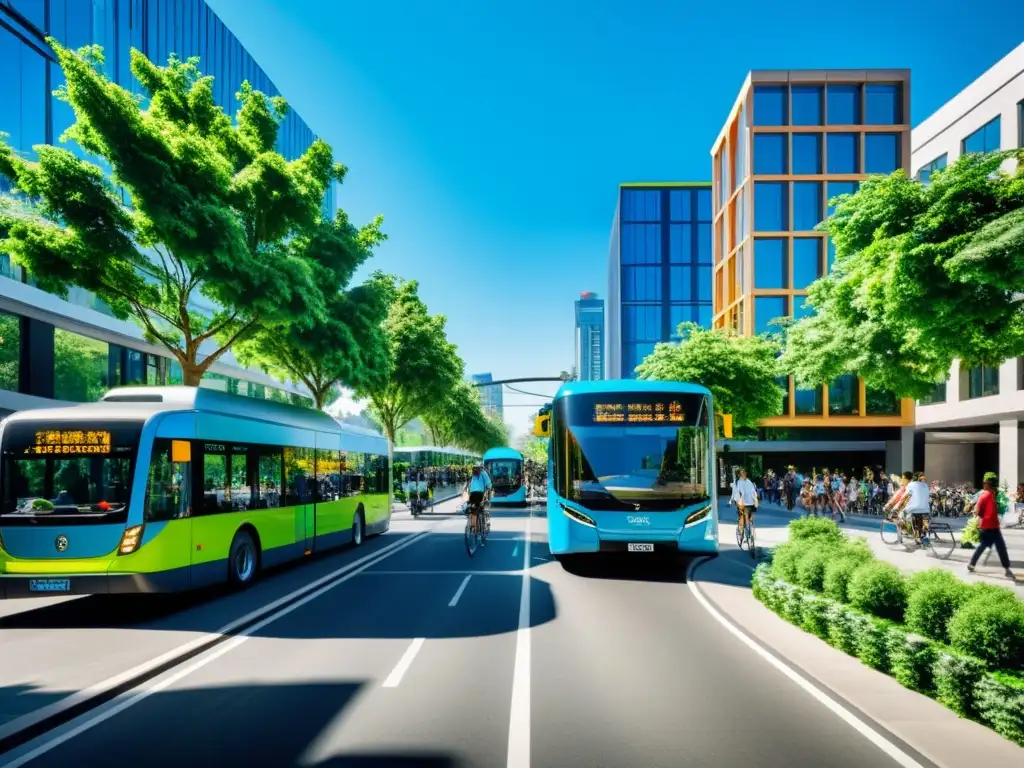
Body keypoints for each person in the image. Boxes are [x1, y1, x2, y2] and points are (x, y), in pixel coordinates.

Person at [968, 477, 1015, 578]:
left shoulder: (983, 496)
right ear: (990, 486)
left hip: (986, 526)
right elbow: (983, 511)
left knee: (983, 546)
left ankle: (972, 564)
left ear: (986, 485)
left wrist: (978, 519)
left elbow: (977, 510)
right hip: (992, 527)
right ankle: (1007, 569)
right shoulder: (987, 496)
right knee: (1000, 547)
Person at [897, 471, 932, 544]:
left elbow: (905, 497)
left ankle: (905, 531)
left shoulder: (911, 485)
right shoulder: (925, 485)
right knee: (922, 524)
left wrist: (900, 506)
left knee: (900, 516)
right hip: (926, 509)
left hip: (914, 508)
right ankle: (921, 537)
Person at [464, 465, 492, 543]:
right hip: (473, 494)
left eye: (476, 469)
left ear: (480, 469)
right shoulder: (473, 475)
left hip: (481, 494)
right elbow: (469, 485)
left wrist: (487, 490)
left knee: (477, 510)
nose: (475, 470)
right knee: (471, 509)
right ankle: (474, 527)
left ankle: (481, 532)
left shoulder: (483, 474)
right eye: (474, 469)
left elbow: (489, 484)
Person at [730, 467, 759, 532]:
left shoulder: (748, 481)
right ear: (739, 475)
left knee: (750, 517)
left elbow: (753, 490)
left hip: (750, 501)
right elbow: (735, 492)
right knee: (742, 517)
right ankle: (741, 530)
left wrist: (755, 499)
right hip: (741, 501)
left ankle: (749, 530)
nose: (744, 474)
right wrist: (735, 500)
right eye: (742, 473)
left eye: (745, 472)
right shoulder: (737, 482)